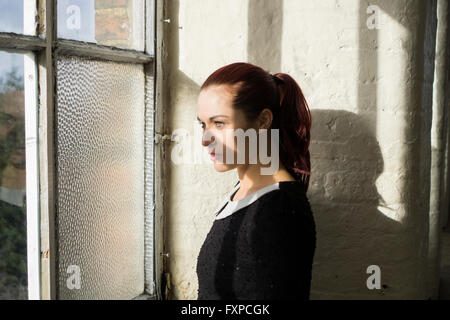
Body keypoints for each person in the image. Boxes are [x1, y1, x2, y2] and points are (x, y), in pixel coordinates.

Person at [195, 62, 316, 300]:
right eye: (203, 124)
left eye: (219, 123)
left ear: (262, 122)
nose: (204, 139)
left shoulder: (277, 209)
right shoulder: (244, 190)